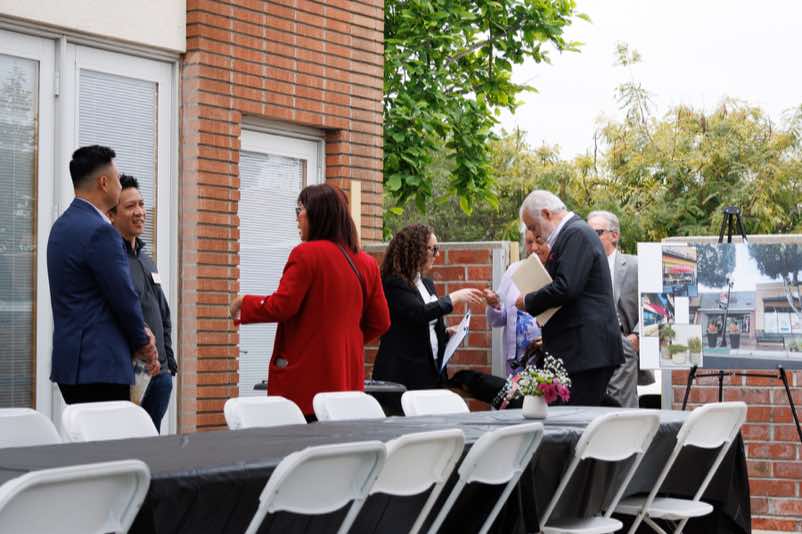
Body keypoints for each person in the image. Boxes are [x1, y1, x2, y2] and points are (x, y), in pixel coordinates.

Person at [229, 184, 390, 418]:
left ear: (318, 213)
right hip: (347, 381)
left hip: (307, 383)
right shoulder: (366, 263)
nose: (297, 218)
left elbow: (283, 306)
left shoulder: (306, 254)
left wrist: (244, 303)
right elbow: (381, 321)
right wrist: (345, 341)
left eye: (300, 210)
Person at [47, 145, 157, 405]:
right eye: (117, 178)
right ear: (104, 183)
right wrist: (143, 341)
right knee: (109, 432)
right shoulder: (101, 231)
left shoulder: (60, 227)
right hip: (101, 365)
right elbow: (123, 297)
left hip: (71, 366)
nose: (120, 184)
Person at [515, 190, 623, 406]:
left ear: (546, 214)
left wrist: (528, 301)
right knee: (582, 412)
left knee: (575, 416)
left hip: (587, 352)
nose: (534, 234)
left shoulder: (576, 233)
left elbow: (566, 287)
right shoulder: (571, 235)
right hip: (580, 352)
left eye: (533, 227)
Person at [373, 224, 484, 390]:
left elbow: (422, 327)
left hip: (430, 371)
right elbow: (419, 313)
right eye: (434, 249)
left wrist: (445, 333)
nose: (437, 254)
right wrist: (454, 297)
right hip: (403, 374)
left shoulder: (426, 284)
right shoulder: (394, 283)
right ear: (416, 250)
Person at [109, 175, 177, 430]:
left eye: (141, 204)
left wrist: (169, 364)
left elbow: (163, 312)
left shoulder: (146, 260)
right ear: (112, 215)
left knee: (152, 442)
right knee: (127, 441)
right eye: (130, 206)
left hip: (161, 374)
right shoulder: (111, 260)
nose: (139, 212)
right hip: (132, 376)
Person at [587, 210, 653, 408]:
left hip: (623, 346)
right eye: (587, 233)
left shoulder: (635, 265)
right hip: (591, 350)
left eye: (597, 233)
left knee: (623, 409)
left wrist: (637, 337)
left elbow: (656, 303)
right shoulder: (582, 267)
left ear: (614, 235)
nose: (590, 238)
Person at [483, 230, 550, 375]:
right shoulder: (514, 270)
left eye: (539, 241)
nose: (533, 247)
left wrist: (548, 340)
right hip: (517, 360)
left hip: (547, 356)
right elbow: (499, 320)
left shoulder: (557, 271)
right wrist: (494, 305)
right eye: (529, 242)